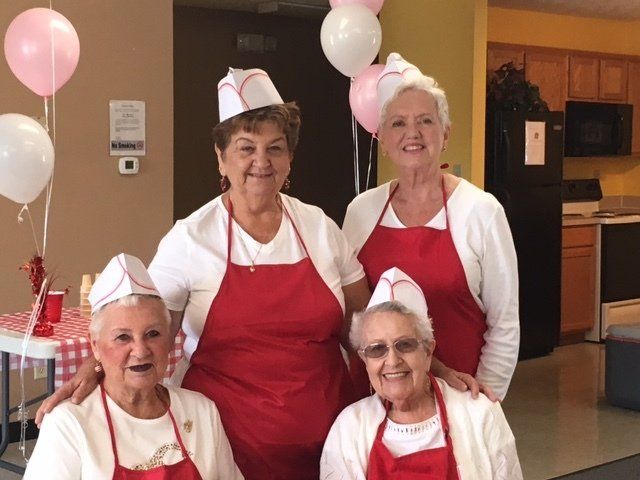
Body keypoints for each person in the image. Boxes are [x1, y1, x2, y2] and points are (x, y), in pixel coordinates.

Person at [36, 68, 371, 480]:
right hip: (226, 447)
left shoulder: (320, 228)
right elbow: (144, 326)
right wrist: (95, 367)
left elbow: (365, 330)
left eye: (275, 148)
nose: (261, 162)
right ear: (221, 155)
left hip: (331, 445)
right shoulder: (191, 239)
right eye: (246, 148)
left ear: (290, 157)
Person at [342, 53, 519, 399]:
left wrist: (483, 405)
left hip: (459, 399)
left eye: (425, 121)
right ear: (382, 140)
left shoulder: (481, 211)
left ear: (445, 133)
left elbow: (505, 325)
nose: (413, 133)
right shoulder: (361, 212)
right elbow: (351, 317)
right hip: (376, 401)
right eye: (398, 123)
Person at [25, 253, 243, 479]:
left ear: (169, 339)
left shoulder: (201, 411)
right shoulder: (69, 422)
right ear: (95, 345)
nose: (140, 351)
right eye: (123, 337)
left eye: (153, 334)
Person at [320, 267, 523, 479]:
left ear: (428, 352)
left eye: (405, 345)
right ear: (365, 359)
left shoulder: (479, 413)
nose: (392, 361)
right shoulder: (349, 428)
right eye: (377, 349)